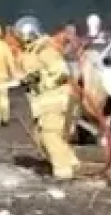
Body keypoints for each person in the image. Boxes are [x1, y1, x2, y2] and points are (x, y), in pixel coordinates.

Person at [12, 15, 81, 180]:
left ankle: (64, 173)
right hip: (44, 103)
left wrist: (40, 80)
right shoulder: (32, 51)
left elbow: (61, 71)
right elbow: (32, 74)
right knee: (40, 137)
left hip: (56, 101)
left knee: (51, 136)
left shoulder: (45, 49)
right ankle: (71, 163)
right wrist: (25, 80)